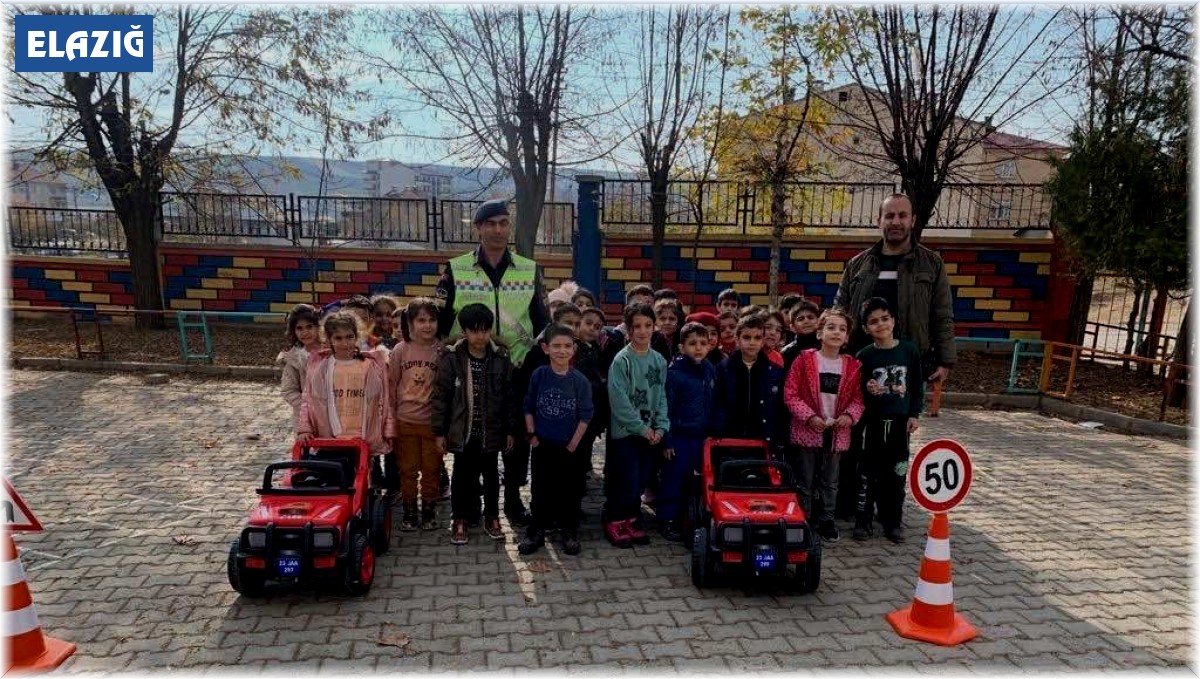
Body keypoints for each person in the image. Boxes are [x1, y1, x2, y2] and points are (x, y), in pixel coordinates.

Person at [832, 193, 954, 519]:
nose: (896, 222)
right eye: (890, 216)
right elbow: (839, 310)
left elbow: (942, 315)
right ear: (879, 221)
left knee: (895, 443)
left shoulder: (931, 263)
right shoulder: (858, 264)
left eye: (902, 216)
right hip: (859, 367)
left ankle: (890, 510)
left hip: (904, 368)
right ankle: (848, 505)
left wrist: (945, 360)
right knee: (853, 437)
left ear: (913, 220)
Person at [436, 198, 550, 527]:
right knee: (473, 438)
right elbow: (442, 320)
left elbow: (543, 319)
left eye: (503, 222)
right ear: (478, 228)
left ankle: (513, 501)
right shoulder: (455, 268)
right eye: (490, 223)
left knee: (515, 438)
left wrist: (531, 355)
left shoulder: (530, 269)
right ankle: (470, 505)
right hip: (472, 366)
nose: (498, 229)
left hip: (516, 367)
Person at [431, 303, 520, 545]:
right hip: (463, 432)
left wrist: (511, 429)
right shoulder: (451, 358)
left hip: (490, 432)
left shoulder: (501, 357)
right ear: (465, 331)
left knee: (491, 477)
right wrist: (439, 432)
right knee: (461, 477)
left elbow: (509, 397)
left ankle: (492, 517)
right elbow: (440, 397)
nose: (481, 336)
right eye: (475, 330)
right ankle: (459, 518)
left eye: (485, 330)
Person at [782, 308, 864, 544]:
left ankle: (827, 519)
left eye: (842, 329)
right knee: (804, 479)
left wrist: (849, 416)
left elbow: (858, 399)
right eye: (830, 327)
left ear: (847, 337)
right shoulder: (804, 360)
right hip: (808, 430)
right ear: (819, 333)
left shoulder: (852, 366)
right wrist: (809, 417)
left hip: (837, 433)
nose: (836, 332)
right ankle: (803, 519)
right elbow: (791, 394)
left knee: (831, 480)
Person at [518, 324, 594, 556]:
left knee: (569, 490)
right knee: (541, 488)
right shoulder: (539, 375)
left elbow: (586, 414)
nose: (562, 351)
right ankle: (537, 531)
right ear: (545, 348)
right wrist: (532, 436)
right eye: (556, 346)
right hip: (543, 444)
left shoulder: (579, 380)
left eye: (567, 346)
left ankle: (569, 532)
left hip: (570, 447)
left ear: (574, 349)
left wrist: (573, 443)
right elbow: (528, 406)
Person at [854, 297, 925, 544]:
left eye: (885, 319)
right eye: (874, 322)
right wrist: (867, 388)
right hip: (872, 423)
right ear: (866, 328)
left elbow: (916, 384)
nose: (881, 325)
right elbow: (856, 390)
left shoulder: (909, 350)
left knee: (896, 473)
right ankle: (863, 520)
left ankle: (892, 521)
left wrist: (915, 413)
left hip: (899, 423)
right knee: (867, 473)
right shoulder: (864, 355)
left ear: (893, 320)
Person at [605, 302, 669, 548]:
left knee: (640, 480)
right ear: (629, 330)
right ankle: (615, 520)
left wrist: (661, 428)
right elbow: (619, 401)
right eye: (637, 327)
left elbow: (662, 396)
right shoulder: (622, 361)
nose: (643, 331)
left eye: (648, 325)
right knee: (625, 479)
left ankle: (632, 520)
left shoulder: (659, 361)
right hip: (626, 433)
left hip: (652, 433)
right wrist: (642, 429)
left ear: (655, 327)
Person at [296, 311, 393, 457]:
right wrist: (304, 429)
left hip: (363, 438)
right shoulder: (321, 367)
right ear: (329, 339)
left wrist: (388, 430)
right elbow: (308, 400)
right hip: (330, 439)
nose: (345, 343)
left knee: (360, 478)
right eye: (338, 338)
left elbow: (385, 401)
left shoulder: (370, 366)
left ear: (357, 336)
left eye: (349, 337)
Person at [388, 297, 447, 531]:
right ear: (410, 323)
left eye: (432, 320)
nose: (427, 325)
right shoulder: (401, 350)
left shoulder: (442, 350)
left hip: (432, 423)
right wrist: (390, 418)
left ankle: (429, 509)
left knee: (432, 469)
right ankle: (410, 511)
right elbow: (392, 385)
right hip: (405, 421)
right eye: (421, 320)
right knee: (408, 469)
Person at [659, 321, 716, 542]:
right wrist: (668, 441)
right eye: (693, 343)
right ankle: (667, 520)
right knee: (674, 479)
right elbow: (667, 409)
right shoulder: (674, 374)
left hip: (702, 438)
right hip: (680, 437)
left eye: (703, 343)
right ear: (682, 347)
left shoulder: (710, 369)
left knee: (700, 481)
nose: (699, 348)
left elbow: (713, 402)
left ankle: (694, 518)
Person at [713, 313, 784, 448]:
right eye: (746, 337)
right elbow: (717, 402)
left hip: (763, 438)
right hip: (729, 438)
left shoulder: (774, 371)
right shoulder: (723, 369)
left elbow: (779, 408)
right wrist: (717, 429)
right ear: (737, 339)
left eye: (757, 338)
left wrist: (778, 436)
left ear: (763, 341)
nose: (752, 342)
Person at [278, 303, 322, 429]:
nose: (305, 332)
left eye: (309, 327)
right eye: (299, 328)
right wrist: (308, 406)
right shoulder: (293, 358)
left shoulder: (332, 352)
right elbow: (289, 391)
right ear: (293, 331)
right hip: (306, 420)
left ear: (318, 327)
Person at [780, 300, 822, 372]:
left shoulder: (827, 347)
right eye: (801, 319)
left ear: (818, 321)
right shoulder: (787, 353)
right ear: (792, 327)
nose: (806, 321)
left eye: (810, 317)